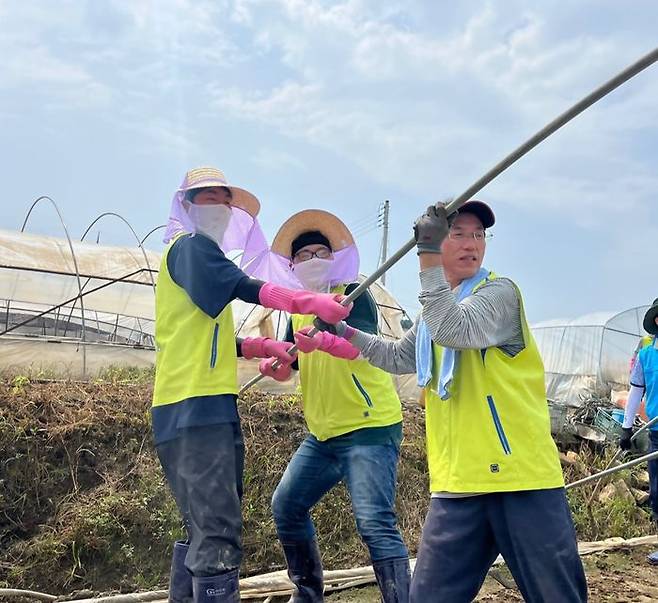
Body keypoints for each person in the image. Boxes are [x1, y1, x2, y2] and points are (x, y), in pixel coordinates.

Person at [314, 200, 588, 602]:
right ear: (439, 240)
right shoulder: (433, 315)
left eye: (478, 234)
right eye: (457, 233)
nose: (470, 243)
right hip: (459, 484)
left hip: (521, 480)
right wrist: (343, 331)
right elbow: (397, 357)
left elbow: (453, 329)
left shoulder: (499, 294)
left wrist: (426, 257)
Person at [152, 169, 352, 603]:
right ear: (186, 206)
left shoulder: (188, 262)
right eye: (206, 198)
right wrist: (304, 300)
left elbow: (205, 339)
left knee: (202, 526)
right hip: (197, 409)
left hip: (187, 408)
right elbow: (246, 287)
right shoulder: (190, 248)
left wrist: (259, 345)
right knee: (218, 533)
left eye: (224, 201)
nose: (217, 209)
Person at [245, 209, 410, 602]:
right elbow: (293, 365)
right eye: (303, 256)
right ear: (292, 264)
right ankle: (307, 593)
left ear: (333, 257)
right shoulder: (298, 308)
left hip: (369, 428)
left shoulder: (352, 294)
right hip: (322, 433)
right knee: (286, 506)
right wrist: (276, 365)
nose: (312, 260)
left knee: (374, 523)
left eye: (320, 252)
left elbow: (365, 348)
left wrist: (325, 341)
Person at [620, 298, 658, 564]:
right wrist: (626, 427)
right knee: (657, 490)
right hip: (656, 431)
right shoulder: (646, 355)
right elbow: (635, 393)